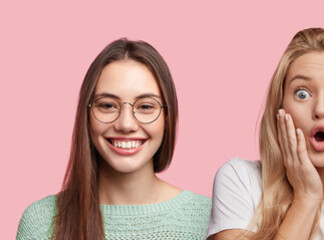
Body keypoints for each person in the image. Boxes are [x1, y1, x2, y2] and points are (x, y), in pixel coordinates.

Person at [207, 28, 324, 239]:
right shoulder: (241, 180)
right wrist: (306, 198)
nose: (320, 110)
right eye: (302, 93)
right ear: (280, 106)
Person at [16, 38, 211, 239]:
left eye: (145, 106)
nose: (126, 124)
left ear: (167, 118)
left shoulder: (211, 220)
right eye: (108, 105)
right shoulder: (41, 222)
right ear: (87, 115)